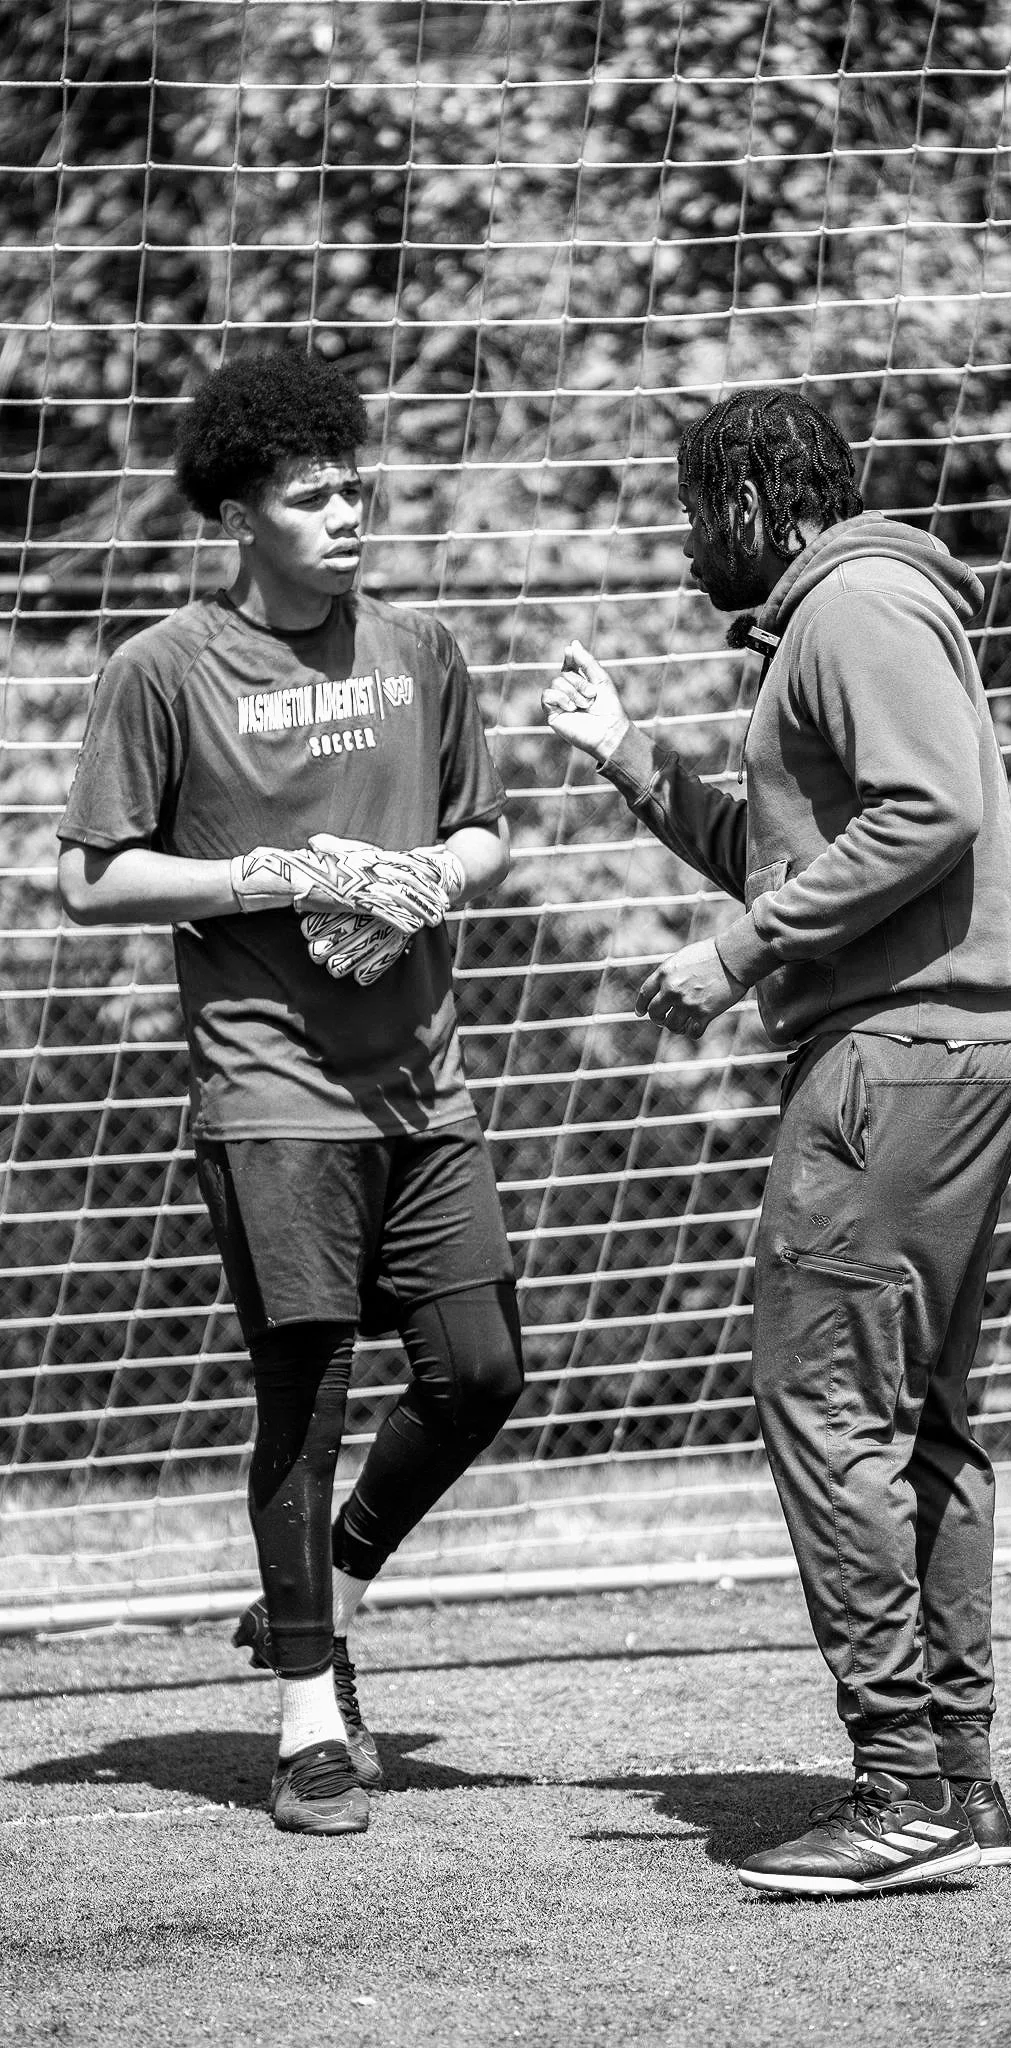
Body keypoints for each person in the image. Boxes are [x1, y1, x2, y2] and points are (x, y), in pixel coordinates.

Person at [542, 387, 1011, 1898]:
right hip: (956, 1044)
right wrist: (635, 757)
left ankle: (898, 1784)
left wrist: (737, 958)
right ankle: (960, 1784)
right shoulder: (851, 615)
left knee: (824, 1405)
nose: (691, 538)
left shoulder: (856, 605)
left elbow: (930, 813)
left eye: (703, 510)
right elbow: (824, 846)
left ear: (766, 503)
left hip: (899, 1054)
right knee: (926, 1421)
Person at [58, 348, 522, 1837]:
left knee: (480, 1370)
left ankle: (336, 1582)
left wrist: (427, 875)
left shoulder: (423, 648)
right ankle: (310, 1724)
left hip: (423, 1086)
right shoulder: (164, 669)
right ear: (238, 514)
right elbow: (91, 881)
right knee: (304, 1392)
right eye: (311, 495)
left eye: (353, 487)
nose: (348, 512)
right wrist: (269, 873)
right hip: (267, 1089)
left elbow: (486, 832)